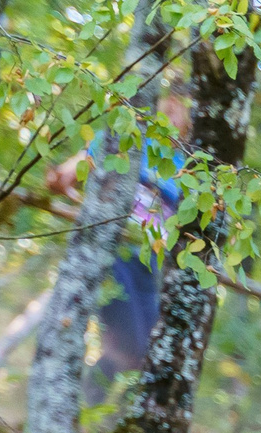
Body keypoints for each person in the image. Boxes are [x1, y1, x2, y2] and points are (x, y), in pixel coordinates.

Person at [44, 86, 190, 378]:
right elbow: (64, 178)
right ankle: (80, 393)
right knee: (127, 341)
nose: (173, 115)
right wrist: (87, 201)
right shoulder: (123, 140)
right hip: (112, 249)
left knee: (146, 350)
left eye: (181, 110)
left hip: (150, 264)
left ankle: (96, 399)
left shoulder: (188, 169)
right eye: (168, 107)